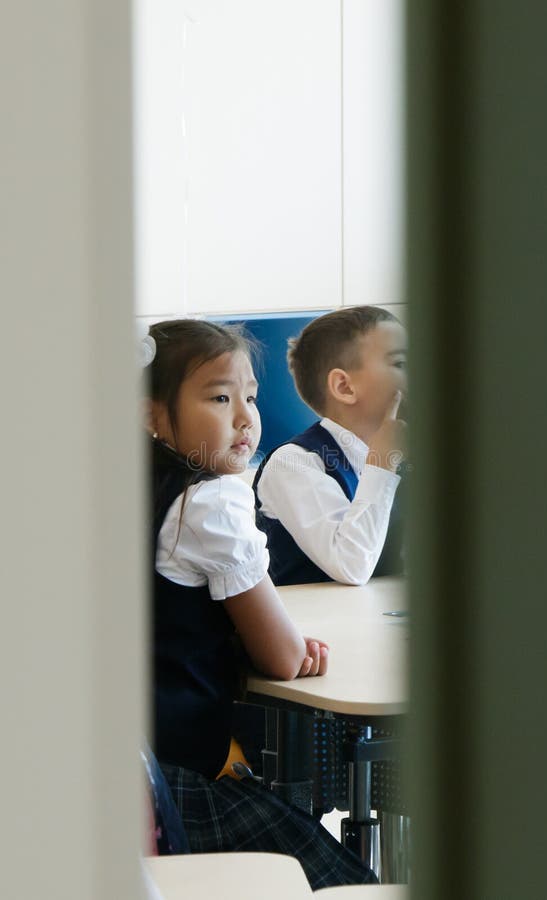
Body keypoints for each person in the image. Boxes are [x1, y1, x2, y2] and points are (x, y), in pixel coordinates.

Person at [144, 318, 377, 890]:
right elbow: (280, 656)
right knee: (343, 881)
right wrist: (288, 646)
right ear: (150, 415)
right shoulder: (209, 506)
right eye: (221, 397)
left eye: (249, 396)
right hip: (181, 785)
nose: (247, 417)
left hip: (137, 763)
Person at [253, 305, 408, 586]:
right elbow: (351, 565)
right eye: (400, 364)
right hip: (314, 626)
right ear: (344, 387)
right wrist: (382, 465)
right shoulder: (294, 463)